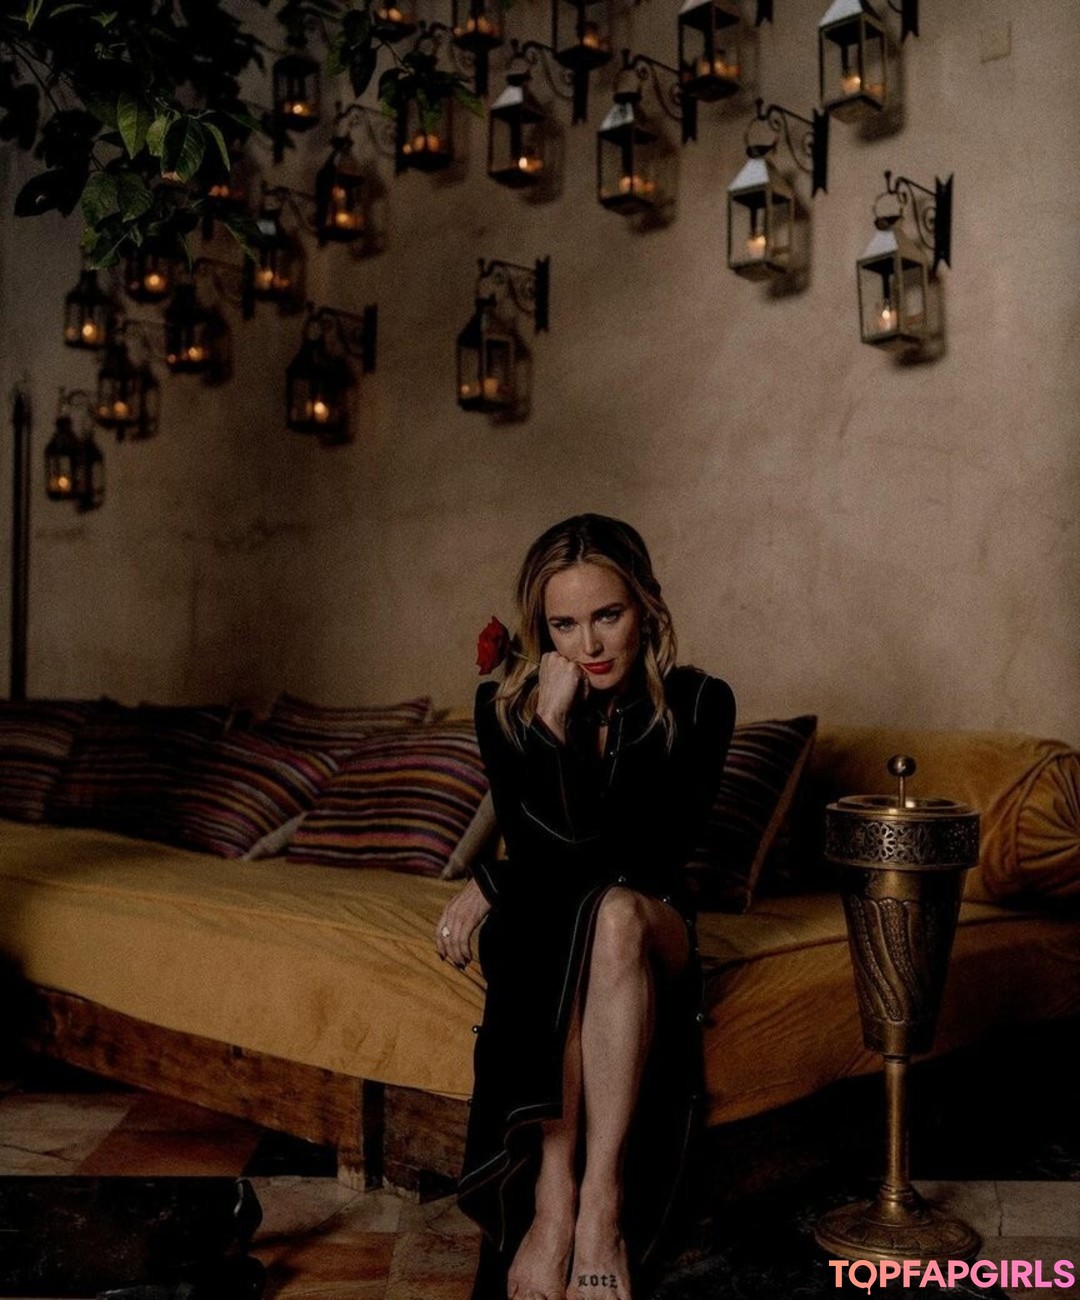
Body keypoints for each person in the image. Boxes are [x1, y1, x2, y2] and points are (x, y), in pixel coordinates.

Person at [435, 514, 735, 1300]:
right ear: (541, 631)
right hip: (560, 918)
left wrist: (495, 880)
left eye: (608, 615)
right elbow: (542, 848)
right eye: (564, 625)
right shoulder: (504, 710)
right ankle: (554, 1197)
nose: (589, 645)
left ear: (646, 607)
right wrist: (549, 725)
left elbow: (646, 852)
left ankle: (602, 1205)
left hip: (654, 917)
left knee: (613, 912)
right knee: (579, 921)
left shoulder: (701, 704)